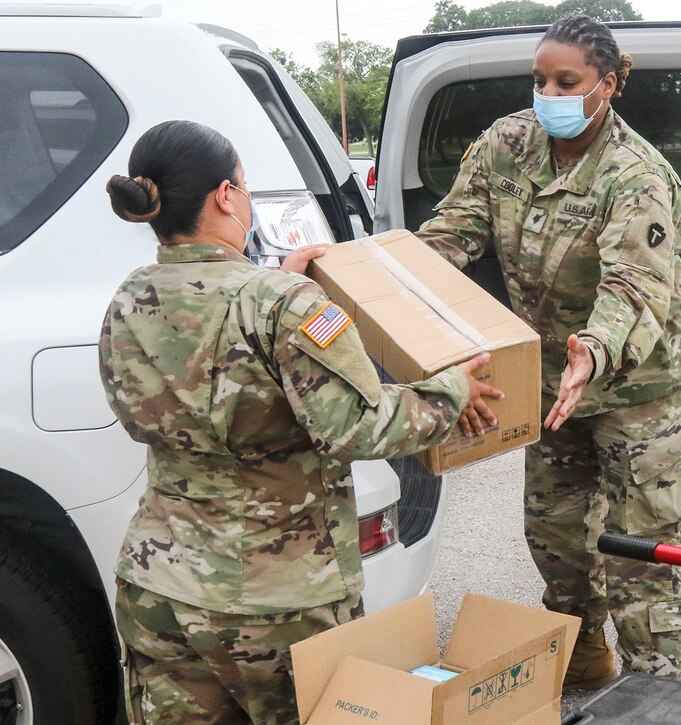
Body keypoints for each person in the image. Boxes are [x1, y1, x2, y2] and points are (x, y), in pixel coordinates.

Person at [100, 120, 502, 724]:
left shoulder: (131, 297)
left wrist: (280, 285)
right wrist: (451, 389)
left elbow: (199, 363)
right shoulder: (287, 307)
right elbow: (357, 428)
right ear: (226, 196)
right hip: (277, 601)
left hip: (158, 586)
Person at [415, 14, 681, 685]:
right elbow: (451, 231)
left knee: (642, 555)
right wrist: (375, 277)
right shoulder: (507, 143)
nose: (547, 91)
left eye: (565, 81)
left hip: (643, 385)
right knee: (556, 534)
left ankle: (655, 691)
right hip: (552, 377)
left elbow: (634, 286)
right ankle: (585, 658)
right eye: (540, 78)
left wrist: (594, 351)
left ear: (605, 86)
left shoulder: (635, 173)